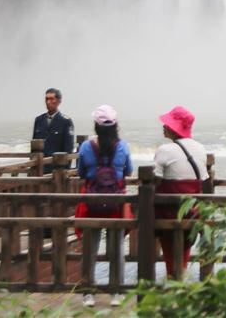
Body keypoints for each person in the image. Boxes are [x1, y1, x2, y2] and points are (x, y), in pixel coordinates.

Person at [76, 105, 132, 308]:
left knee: (90, 248)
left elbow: (81, 172)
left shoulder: (85, 147)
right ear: (116, 125)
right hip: (116, 202)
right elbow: (129, 170)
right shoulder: (123, 147)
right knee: (116, 246)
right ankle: (116, 291)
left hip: (92, 202)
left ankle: (88, 294)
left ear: (96, 126)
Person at [154, 106, 208, 278]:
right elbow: (204, 179)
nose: (163, 125)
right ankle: (180, 278)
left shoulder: (164, 150)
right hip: (192, 213)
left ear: (173, 127)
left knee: (170, 255)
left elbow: (154, 179)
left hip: (168, 214)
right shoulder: (200, 149)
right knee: (183, 251)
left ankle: (174, 280)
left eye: (167, 123)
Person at [32, 88, 75, 167]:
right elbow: (34, 147)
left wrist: (65, 171)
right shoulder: (39, 120)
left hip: (57, 169)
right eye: (47, 99)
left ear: (59, 101)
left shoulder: (66, 121)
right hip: (40, 167)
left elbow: (68, 149)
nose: (48, 102)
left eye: (52, 99)